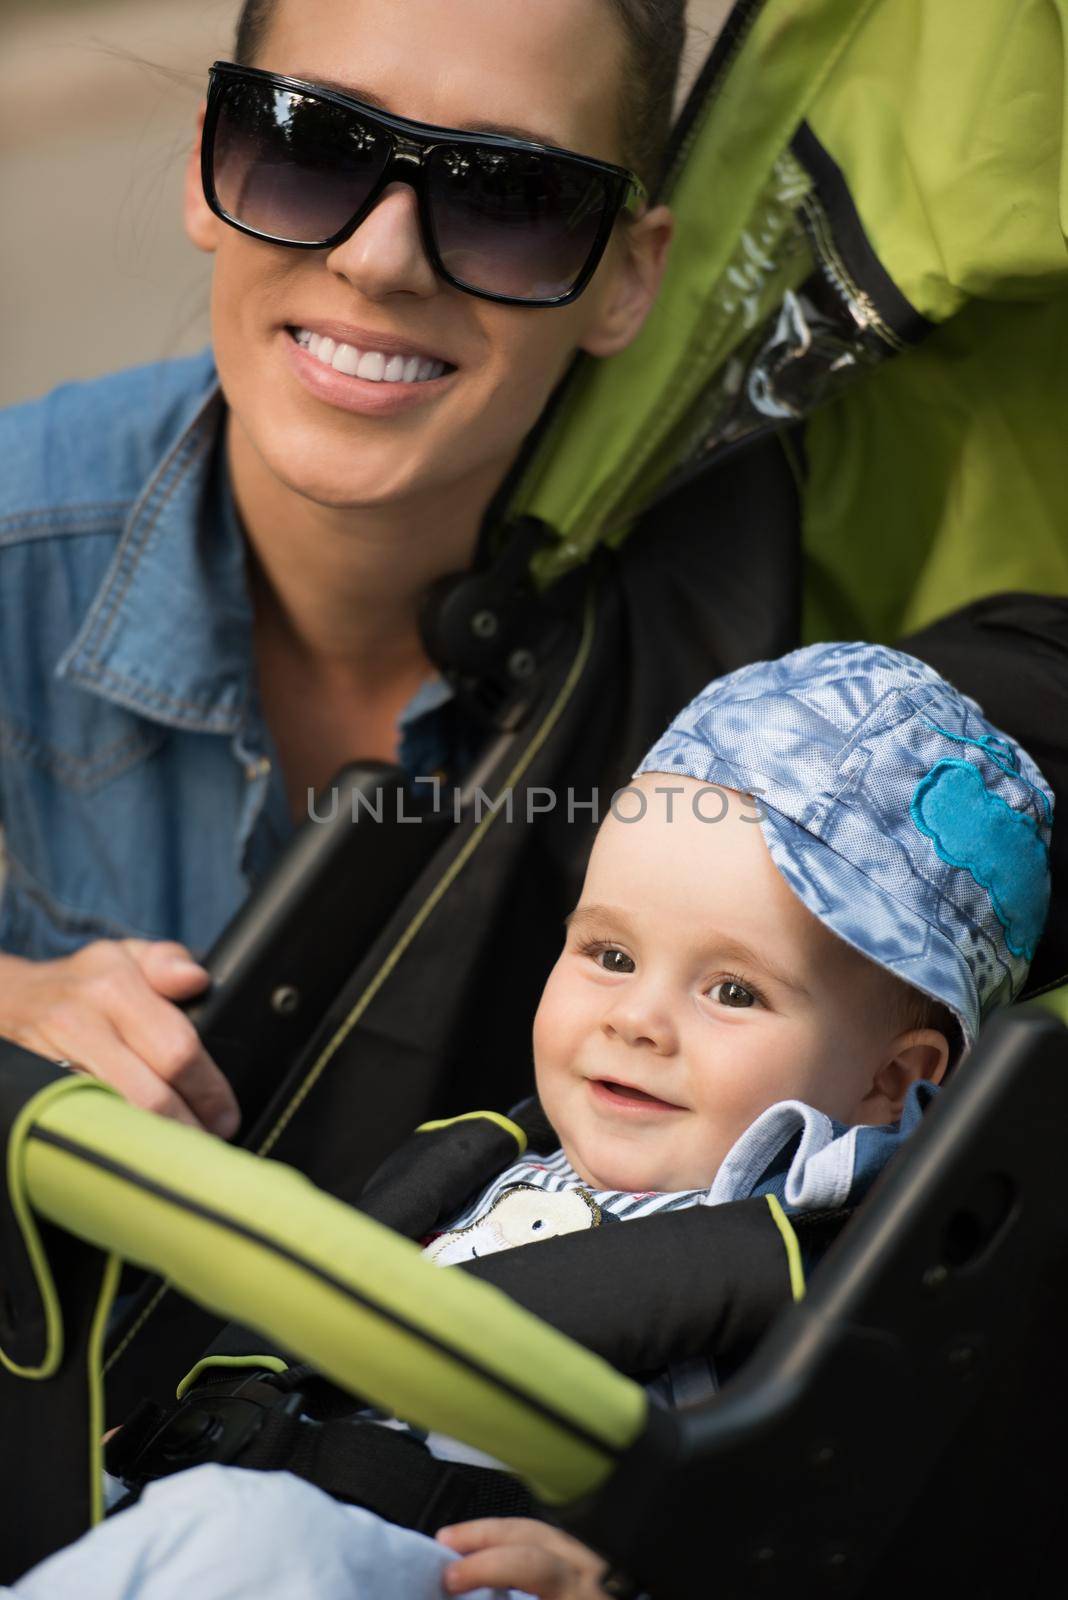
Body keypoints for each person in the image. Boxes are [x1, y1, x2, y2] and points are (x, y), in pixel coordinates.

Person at [11, 641, 1053, 1600]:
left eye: (733, 990)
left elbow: (808, 1538)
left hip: (407, 1564)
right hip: (215, 1514)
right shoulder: (484, 1165)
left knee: (250, 1537)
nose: (636, 1018)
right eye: (608, 954)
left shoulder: (838, 1281)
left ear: (888, 1080)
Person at [0, 0, 678, 1134]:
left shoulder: (724, 645)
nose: (379, 260)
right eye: (311, 144)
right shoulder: (19, 533)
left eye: (508, 192)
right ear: (209, 157)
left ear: (626, 278)